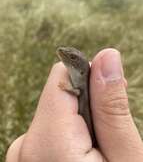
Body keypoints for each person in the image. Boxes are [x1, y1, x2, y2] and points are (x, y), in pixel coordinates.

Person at [6, 48, 143, 162]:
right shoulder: (82, 76)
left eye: (72, 57)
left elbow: (78, 91)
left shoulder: (82, 78)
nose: (63, 53)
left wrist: (67, 88)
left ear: (81, 69)